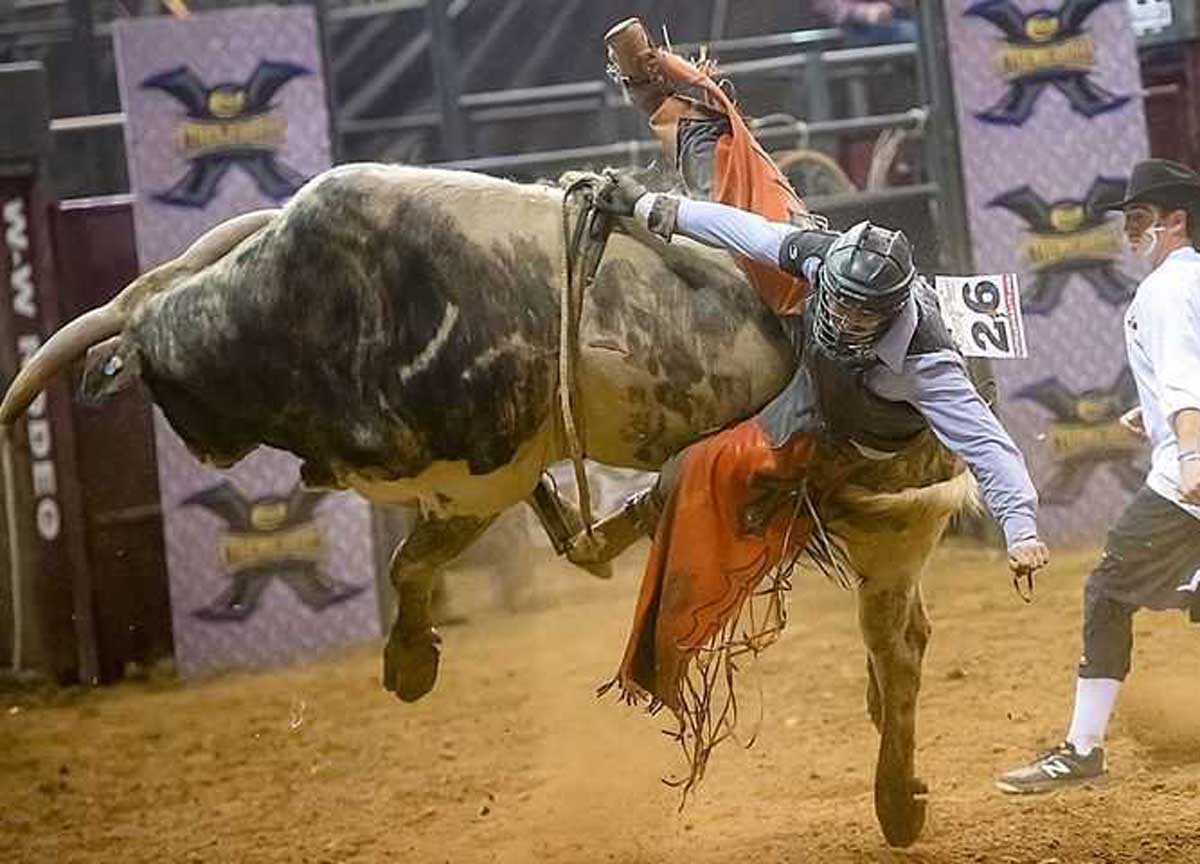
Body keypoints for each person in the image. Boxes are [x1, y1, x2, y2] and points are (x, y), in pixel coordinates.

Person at [996, 158, 1200, 795]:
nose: (1130, 229)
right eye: (1129, 218)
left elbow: (1185, 381)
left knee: (1109, 592)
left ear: (1176, 220)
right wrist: (1152, 411)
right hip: (1184, 460)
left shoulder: (1164, 290)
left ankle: (1082, 750)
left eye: (1140, 217)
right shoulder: (1192, 280)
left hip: (1185, 479)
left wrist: (1191, 452)